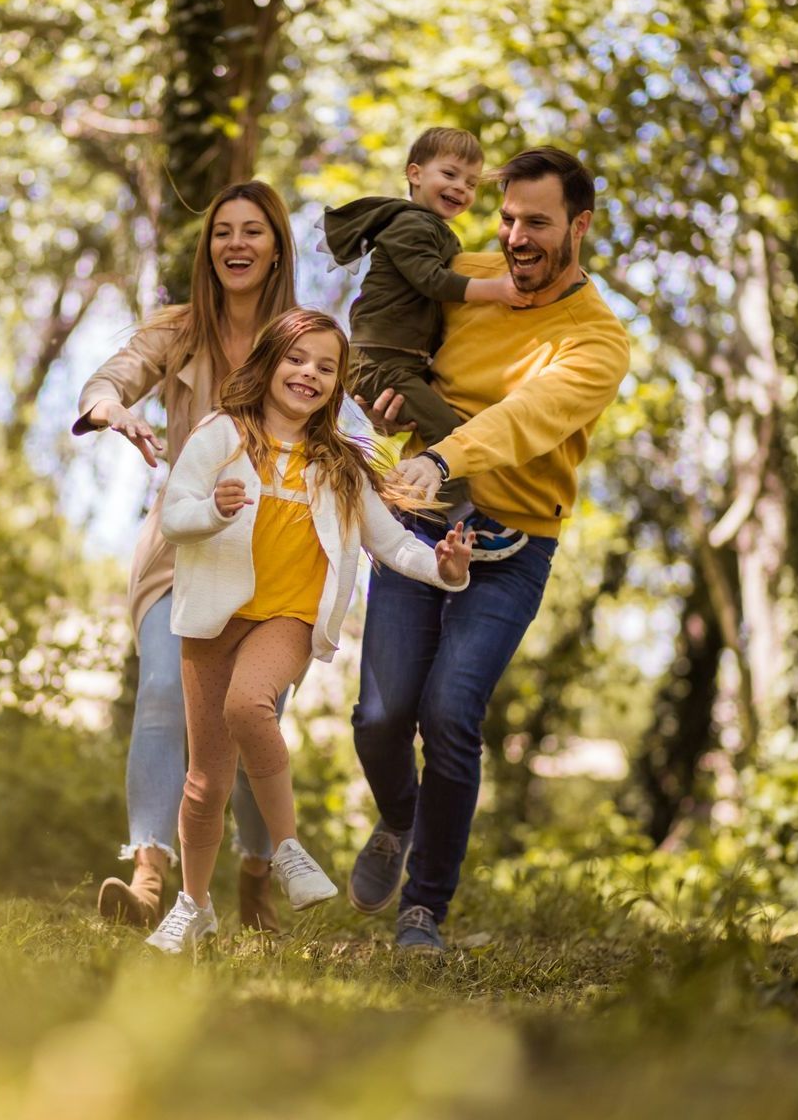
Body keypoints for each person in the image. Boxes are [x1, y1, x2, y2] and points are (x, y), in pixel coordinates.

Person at [346, 146, 632, 952]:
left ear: (579, 226)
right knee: (378, 715)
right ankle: (399, 819)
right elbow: (382, 332)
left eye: (536, 222)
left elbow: (527, 417)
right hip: (418, 519)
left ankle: (423, 908)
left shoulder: (597, 340)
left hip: (513, 543)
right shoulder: (466, 274)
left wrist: (443, 455)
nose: (515, 238)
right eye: (507, 218)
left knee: (448, 713)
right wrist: (381, 394)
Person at [143, 308, 475, 954]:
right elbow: (175, 516)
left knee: (249, 705)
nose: (309, 375)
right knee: (205, 780)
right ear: (269, 362)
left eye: (327, 368)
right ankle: (194, 904)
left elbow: (392, 543)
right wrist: (212, 511)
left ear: (336, 385)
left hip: (288, 618)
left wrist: (443, 568)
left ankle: (288, 848)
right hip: (215, 615)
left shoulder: (342, 465)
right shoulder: (221, 436)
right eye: (298, 360)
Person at [73, 180, 298, 934]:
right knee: (166, 691)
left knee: (250, 714)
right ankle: (147, 881)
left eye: (252, 232)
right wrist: (113, 408)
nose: (236, 244)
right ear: (209, 250)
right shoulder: (177, 330)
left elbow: (352, 419)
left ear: (276, 249)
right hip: (184, 544)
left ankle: (256, 875)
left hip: (275, 555)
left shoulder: (303, 339)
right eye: (223, 232)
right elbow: (108, 378)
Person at [320, 127, 531, 556]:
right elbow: (431, 281)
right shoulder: (411, 224)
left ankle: (416, 509)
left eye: (471, 183)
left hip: (396, 361)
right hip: (380, 361)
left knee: (443, 423)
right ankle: (463, 521)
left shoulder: (430, 227)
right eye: (450, 174)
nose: (460, 188)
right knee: (447, 431)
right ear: (414, 174)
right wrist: (497, 289)